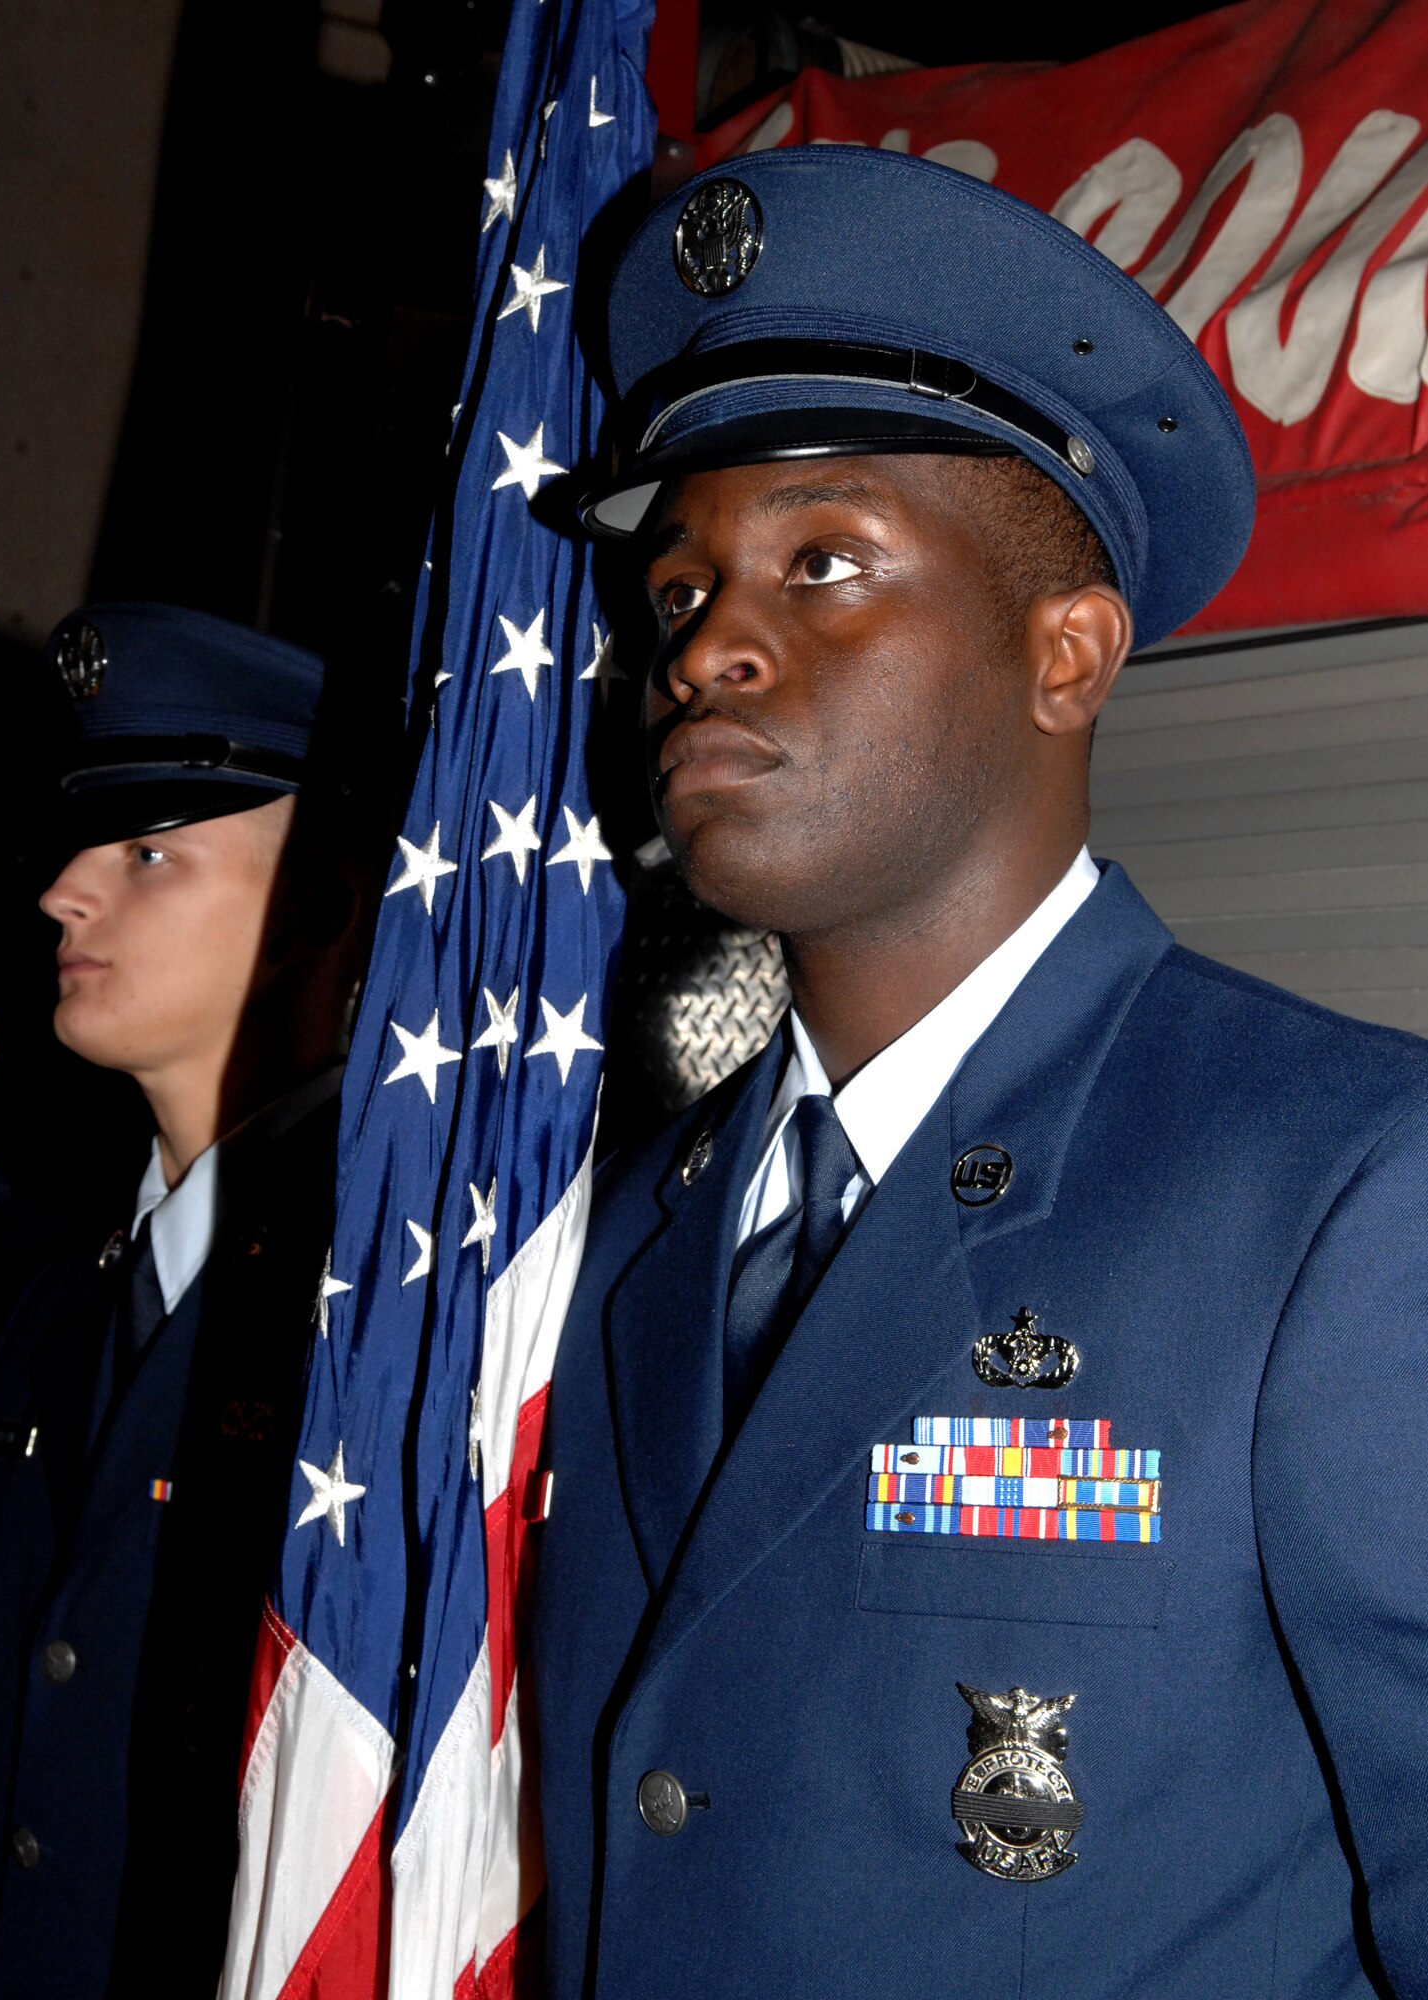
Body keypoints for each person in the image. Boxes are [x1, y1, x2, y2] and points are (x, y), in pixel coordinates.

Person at [531, 149, 1428, 1998]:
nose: (704, 646)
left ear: (1066, 654)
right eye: (677, 583)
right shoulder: (621, 1238)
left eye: (825, 560)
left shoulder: (1344, 1189)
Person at [0, 604, 386, 1998]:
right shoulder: (45, 1310)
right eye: (88, 845)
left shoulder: (394, 1322)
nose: (63, 893)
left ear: (323, 909)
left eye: (151, 855)